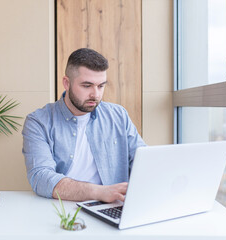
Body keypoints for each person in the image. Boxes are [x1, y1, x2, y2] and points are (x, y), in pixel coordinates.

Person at [22, 48, 146, 203]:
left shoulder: (118, 115)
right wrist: (100, 192)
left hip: (113, 206)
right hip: (62, 208)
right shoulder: (38, 122)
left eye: (101, 86)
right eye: (87, 86)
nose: (96, 94)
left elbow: (142, 159)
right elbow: (40, 177)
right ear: (66, 83)